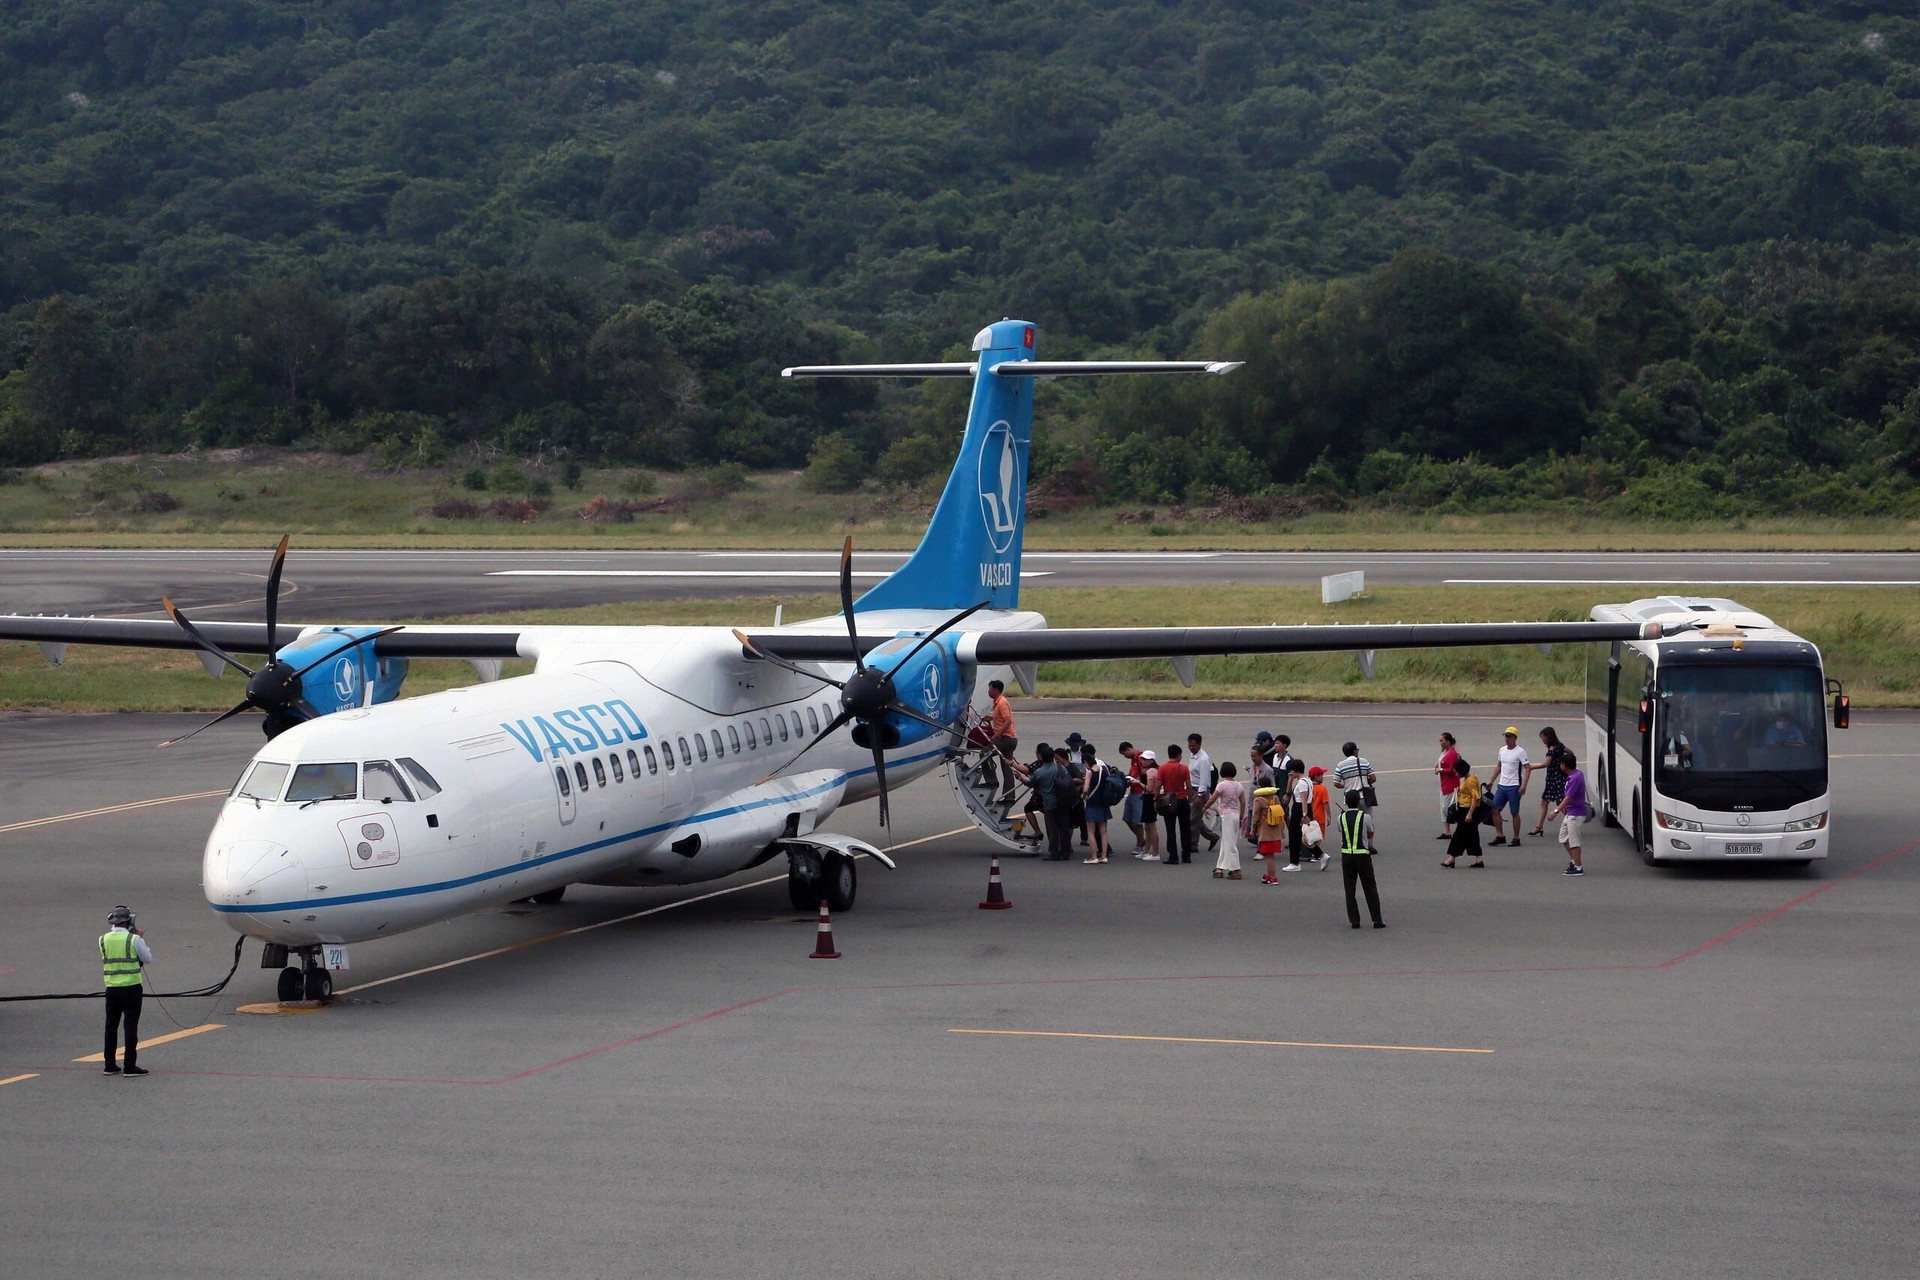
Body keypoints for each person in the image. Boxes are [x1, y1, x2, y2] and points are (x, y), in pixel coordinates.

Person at [99, 904, 151, 1076]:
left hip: (112, 988)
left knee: (110, 1026)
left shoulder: (103, 939)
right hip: (131, 988)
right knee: (130, 1027)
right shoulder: (133, 939)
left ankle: (109, 1064)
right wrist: (140, 938)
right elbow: (147, 958)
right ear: (129, 921)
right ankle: (129, 1066)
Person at [1336, 799, 1386, 929]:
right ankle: (1377, 920)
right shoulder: (1366, 817)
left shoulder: (1340, 817)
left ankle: (1354, 921)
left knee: (1349, 890)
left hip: (1346, 855)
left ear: (1346, 803)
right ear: (1358, 802)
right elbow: (1370, 832)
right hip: (1362, 855)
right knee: (1370, 888)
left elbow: (1341, 832)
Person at [1526, 726, 1571, 838]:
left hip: (1554, 780)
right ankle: (1539, 826)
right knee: (1546, 802)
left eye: (1543, 738)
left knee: (1558, 803)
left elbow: (1546, 763)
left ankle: (1572, 822)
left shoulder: (1552, 749)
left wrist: (1531, 767)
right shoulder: (1560, 746)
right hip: (1558, 778)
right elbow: (1570, 752)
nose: (1543, 740)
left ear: (1548, 737)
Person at [1551, 751, 1591, 875]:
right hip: (1570, 813)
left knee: (1574, 841)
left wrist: (1556, 811)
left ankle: (1578, 867)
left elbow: (1568, 798)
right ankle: (1574, 861)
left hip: (1575, 814)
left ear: (1564, 765)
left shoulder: (1575, 778)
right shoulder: (1576, 774)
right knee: (1564, 837)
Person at [1441, 757, 1485, 869]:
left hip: (1467, 809)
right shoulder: (1468, 779)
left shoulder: (1471, 780)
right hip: (1464, 808)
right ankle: (1478, 858)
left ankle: (1452, 858)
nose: (1456, 774)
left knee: (1459, 834)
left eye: (1456, 771)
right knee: (1472, 834)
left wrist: (1470, 813)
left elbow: (1475, 797)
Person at [1488, 726, 1529, 846]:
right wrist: (1492, 780)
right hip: (1502, 785)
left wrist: (1524, 785)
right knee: (1494, 809)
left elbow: (1528, 768)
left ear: (1515, 738)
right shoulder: (1502, 750)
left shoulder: (1520, 752)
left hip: (1514, 786)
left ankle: (1516, 837)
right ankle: (1500, 835)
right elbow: (1499, 766)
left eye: (1509, 736)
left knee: (1514, 812)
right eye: (1506, 736)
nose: (1507, 739)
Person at [1028, 747, 1070, 859]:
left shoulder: (1039, 772)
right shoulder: (1060, 768)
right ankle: (1065, 851)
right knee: (1063, 827)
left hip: (1049, 802)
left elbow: (1030, 783)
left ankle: (1054, 852)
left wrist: (1020, 778)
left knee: (1052, 829)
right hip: (1062, 801)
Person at [1207, 761, 1245, 879]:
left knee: (1229, 844)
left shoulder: (1222, 785)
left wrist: (1205, 807)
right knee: (1226, 842)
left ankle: (1236, 870)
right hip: (1235, 815)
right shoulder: (1239, 785)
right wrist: (1241, 818)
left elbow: (1213, 799)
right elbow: (1242, 803)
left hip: (1226, 816)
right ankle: (1220, 867)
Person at [1157, 744, 1194, 864]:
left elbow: (1158, 785)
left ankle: (1173, 856)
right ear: (1178, 755)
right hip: (1182, 800)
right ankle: (1186, 855)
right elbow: (1189, 786)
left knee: (1170, 829)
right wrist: (1189, 799)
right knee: (1185, 829)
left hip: (1168, 801)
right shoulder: (1183, 768)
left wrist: (1156, 798)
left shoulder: (1162, 768)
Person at [983, 679, 1018, 803]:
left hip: (1006, 739)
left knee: (984, 753)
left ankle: (991, 780)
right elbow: (1003, 718)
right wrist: (992, 718)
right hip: (1010, 739)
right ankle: (1009, 796)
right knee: (1007, 766)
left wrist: (996, 735)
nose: (988, 691)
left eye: (990, 689)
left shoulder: (1002, 702)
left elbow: (1008, 721)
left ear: (996, 690)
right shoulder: (998, 702)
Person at [1280, 758, 1316, 871]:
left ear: (1296, 770)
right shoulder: (1308, 781)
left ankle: (1294, 863)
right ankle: (1320, 855)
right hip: (1305, 808)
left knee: (1294, 836)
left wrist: (1304, 814)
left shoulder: (1301, 783)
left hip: (1300, 808)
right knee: (1306, 835)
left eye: (1291, 771)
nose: (1290, 773)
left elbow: (1304, 800)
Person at [1081, 744, 1114, 864]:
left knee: (1090, 831)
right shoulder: (1103, 770)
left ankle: (1094, 856)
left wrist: (1083, 796)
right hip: (1103, 802)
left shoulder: (1089, 772)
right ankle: (1104, 855)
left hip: (1092, 802)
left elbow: (1085, 789)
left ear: (1086, 762)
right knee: (1103, 831)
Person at [1187, 733, 1219, 851]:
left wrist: (1200, 795)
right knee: (1195, 818)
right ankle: (1212, 837)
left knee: (1193, 819)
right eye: (1189, 745)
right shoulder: (1193, 755)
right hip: (1193, 790)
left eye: (1193, 746)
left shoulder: (1203, 759)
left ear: (1199, 744)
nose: (1191, 748)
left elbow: (1204, 779)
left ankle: (1193, 844)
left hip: (1200, 791)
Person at [1252, 786, 1287, 883]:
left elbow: (1255, 817)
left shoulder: (1258, 800)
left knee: (1268, 856)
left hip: (1265, 832)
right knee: (1271, 855)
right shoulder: (1275, 798)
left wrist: (1253, 830)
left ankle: (1273, 877)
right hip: (1276, 832)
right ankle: (1269, 874)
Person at [1117, 742, 1148, 852]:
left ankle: (1140, 844)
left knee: (1138, 820)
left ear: (1128, 749)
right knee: (1127, 818)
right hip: (1133, 792)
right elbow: (1132, 773)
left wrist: (1135, 781)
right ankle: (1142, 839)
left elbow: (1145, 773)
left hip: (1139, 792)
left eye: (1124, 754)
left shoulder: (1140, 757)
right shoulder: (1133, 759)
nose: (1124, 756)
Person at [1332, 741, 1377, 814]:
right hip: (1363, 797)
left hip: (1349, 799)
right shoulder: (1364, 761)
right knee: (1367, 819)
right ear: (1354, 751)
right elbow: (1373, 778)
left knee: (1353, 819)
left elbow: (1336, 783)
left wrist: (1345, 785)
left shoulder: (1340, 765)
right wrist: (1365, 781)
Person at [1133, 750, 1161, 861]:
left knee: (1151, 827)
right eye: (1142, 759)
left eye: (1145, 760)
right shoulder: (1152, 770)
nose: (1143, 761)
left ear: (1152, 761)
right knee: (1147, 827)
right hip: (1149, 798)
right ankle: (1146, 851)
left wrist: (1137, 782)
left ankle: (1155, 853)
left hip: (1149, 798)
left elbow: (1149, 788)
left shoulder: (1150, 772)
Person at [1064, 732, 1091, 846]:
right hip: (1070, 786)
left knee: (1083, 814)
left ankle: (1084, 837)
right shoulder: (1066, 754)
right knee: (1076, 813)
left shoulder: (1083, 754)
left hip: (1082, 784)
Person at [1434, 731, 1460, 841]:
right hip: (1444, 784)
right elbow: (1441, 760)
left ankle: (1458, 828)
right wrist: (1437, 765)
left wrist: (1440, 770)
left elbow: (1453, 769)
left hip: (1451, 785)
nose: (1440, 743)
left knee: (1450, 808)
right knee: (1443, 808)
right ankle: (1446, 831)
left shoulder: (1453, 754)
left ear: (1448, 741)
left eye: (1442, 741)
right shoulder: (1444, 752)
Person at [1307, 764, 1333, 867]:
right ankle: (1316, 855)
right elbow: (1325, 803)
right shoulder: (1322, 789)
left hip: (1309, 816)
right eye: (1321, 775)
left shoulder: (1308, 787)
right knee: (1318, 837)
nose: (1323, 777)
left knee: (1310, 835)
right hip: (1319, 817)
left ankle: (1313, 853)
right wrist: (1329, 816)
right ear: (1316, 776)